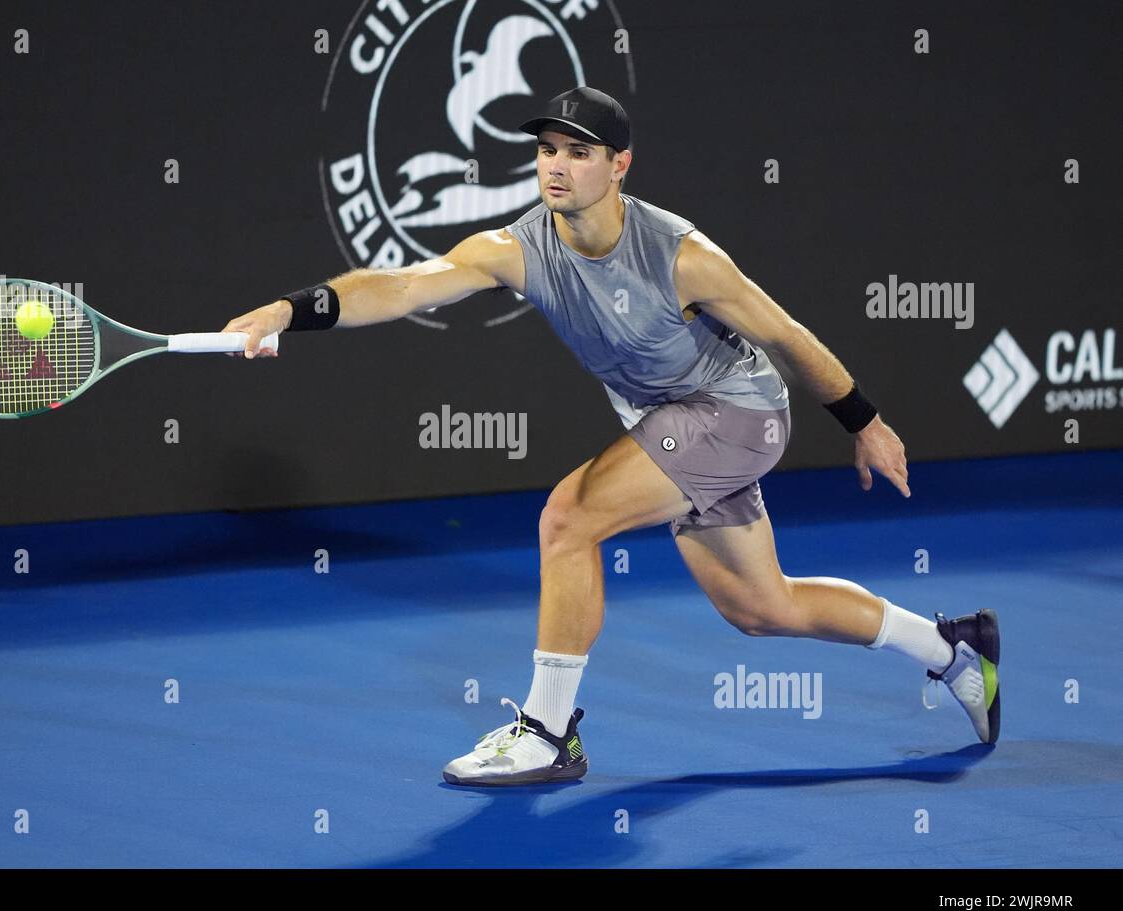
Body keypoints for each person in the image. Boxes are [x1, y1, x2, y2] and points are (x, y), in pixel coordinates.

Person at [222, 85, 1001, 787]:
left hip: (738, 414)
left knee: (569, 516)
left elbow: (789, 336)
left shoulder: (683, 256)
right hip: (675, 428)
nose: (555, 167)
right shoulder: (520, 247)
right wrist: (290, 309)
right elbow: (402, 285)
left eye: (578, 153)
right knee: (765, 608)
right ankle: (954, 650)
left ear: (620, 164)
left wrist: (865, 423)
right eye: (546, 150)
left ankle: (548, 731)